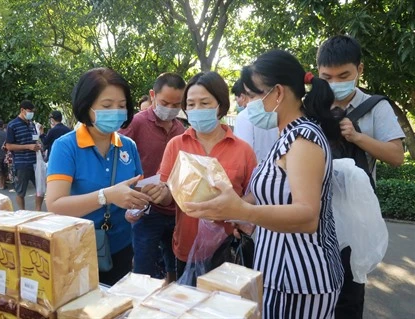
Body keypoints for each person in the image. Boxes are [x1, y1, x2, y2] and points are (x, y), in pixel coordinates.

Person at [182, 50, 344, 318]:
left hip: (300, 278)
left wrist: (243, 212)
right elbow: (268, 194)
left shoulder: (303, 138)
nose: (247, 104)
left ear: (277, 93)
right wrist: (229, 206)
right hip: (278, 271)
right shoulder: (285, 135)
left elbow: (307, 215)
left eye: (253, 95)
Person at [317, 35, 405, 319]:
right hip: (315, 212)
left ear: (360, 70)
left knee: (349, 295)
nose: (335, 82)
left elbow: (396, 156)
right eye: (327, 76)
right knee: (315, 289)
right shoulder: (313, 106)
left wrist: (356, 136)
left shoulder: (376, 107)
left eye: (344, 75)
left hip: (356, 217)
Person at [143, 71, 257, 279]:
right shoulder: (176, 145)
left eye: (204, 103)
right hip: (186, 247)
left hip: (227, 248)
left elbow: (255, 195)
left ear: (220, 105)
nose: (196, 110)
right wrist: (161, 193)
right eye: (191, 104)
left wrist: (233, 209)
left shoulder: (243, 150)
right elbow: (169, 194)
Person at [46, 67, 152, 285]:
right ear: (87, 106)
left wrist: (145, 199)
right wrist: (106, 196)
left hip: (122, 247)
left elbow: (134, 191)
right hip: (77, 249)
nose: (115, 111)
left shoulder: (127, 146)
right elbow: (55, 204)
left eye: (121, 106)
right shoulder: (66, 146)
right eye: (106, 106)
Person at [119, 72, 186, 282]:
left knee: (174, 262)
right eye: (165, 102)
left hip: (174, 207)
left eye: (176, 104)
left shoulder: (180, 128)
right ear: (152, 95)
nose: (170, 108)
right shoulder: (136, 123)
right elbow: (118, 159)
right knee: (143, 265)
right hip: (146, 209)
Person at [5, 100, 44, 211]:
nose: (31, 113)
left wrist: (38, 146)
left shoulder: (32, 124)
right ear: (22, 110)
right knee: (20, 191)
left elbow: (35, 140)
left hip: (36, 162)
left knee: (40, 188)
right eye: (29, 111)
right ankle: (22, 213)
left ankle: (38, 211)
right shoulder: (12, 125)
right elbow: (9, 146)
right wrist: (28, 147)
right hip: (22, 163)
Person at [233, 75, 279, 162]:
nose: (237, 103)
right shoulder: (276, 112)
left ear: (243, 96)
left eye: (236, 99)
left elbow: (243, 154)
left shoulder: (243, 116)